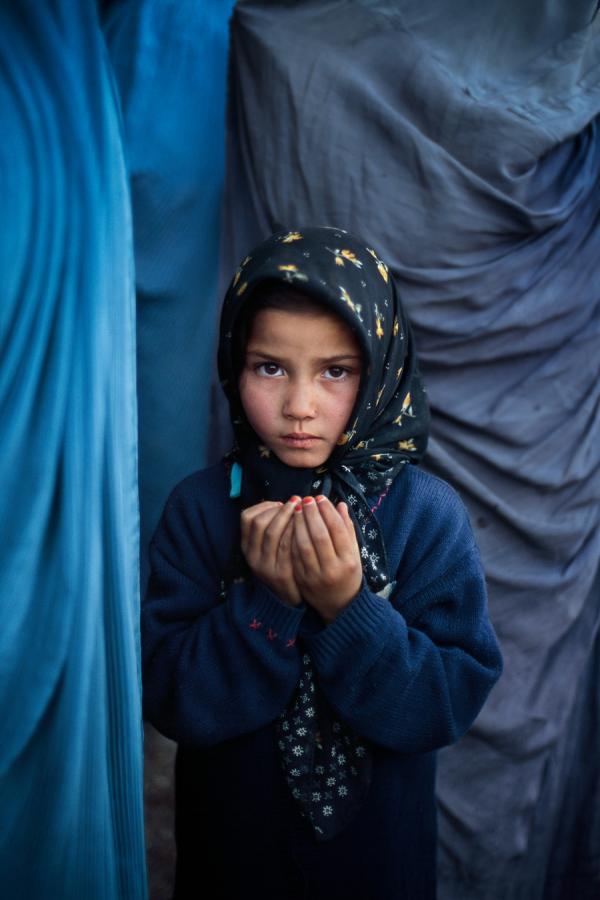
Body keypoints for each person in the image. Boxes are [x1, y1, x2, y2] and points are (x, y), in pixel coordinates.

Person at [141, 226, 503, 900]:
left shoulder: (426, 515)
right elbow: (171, 698)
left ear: (381, 368)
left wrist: (349, 610)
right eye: (269, 367)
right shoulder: (201, 510)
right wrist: (265, 602)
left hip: (378, 868)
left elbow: (444, 704)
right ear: (232, 364)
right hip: (232, 863)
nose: (299, 406)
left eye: (335, 371)